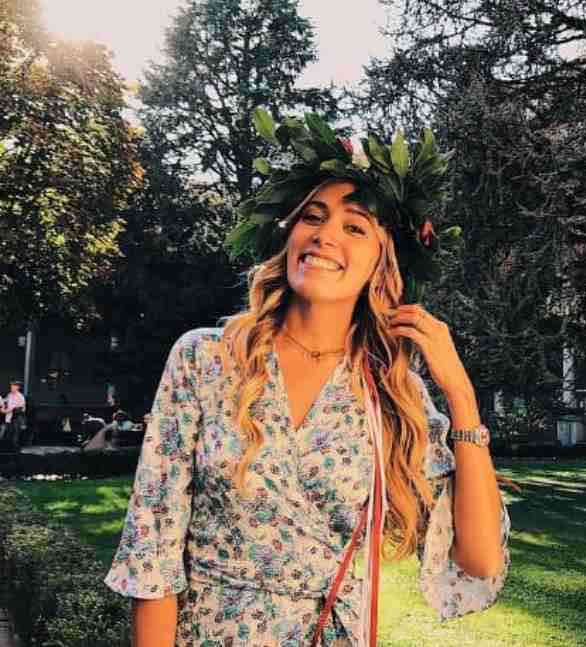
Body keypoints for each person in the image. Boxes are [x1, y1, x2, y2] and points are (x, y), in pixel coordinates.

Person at [105, 112, 513, 647]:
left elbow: (479, 561)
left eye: (354, 227)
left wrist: (461, 395)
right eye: (312, 218)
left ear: (382, 262)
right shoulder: (206, 359)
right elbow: (152, 550)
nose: (324, 236)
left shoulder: (388, 392)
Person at [2, 380, 27, 450]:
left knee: (15, 435)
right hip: (9, 418)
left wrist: (5, 410)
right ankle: (9, 450)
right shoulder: (10, 394)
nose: (11, 387)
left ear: (17, 387)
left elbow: (19, 408)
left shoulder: (20, 396)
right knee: (8, 434)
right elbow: (5, 400)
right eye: (11, 386)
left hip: (16, 418)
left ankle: (15, 450)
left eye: (13, 386)